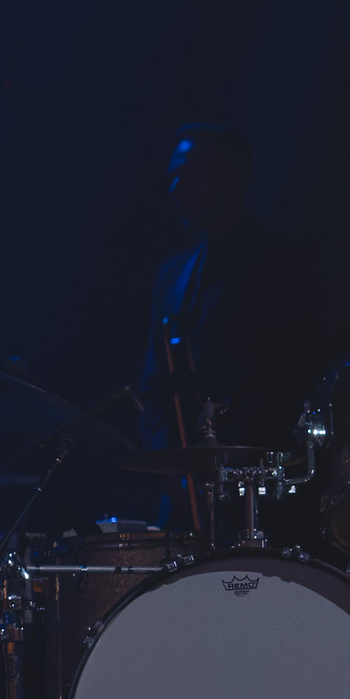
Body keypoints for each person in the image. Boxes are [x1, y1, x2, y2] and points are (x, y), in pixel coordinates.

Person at [138, 125, 324, 531]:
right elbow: (156, 390)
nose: (174, 189)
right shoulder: (173, 275)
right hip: (186, 496)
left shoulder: (283, 267)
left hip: (262, 494)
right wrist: (169, 472)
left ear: (229, 179)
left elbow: (289, 382)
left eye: (186, 174)